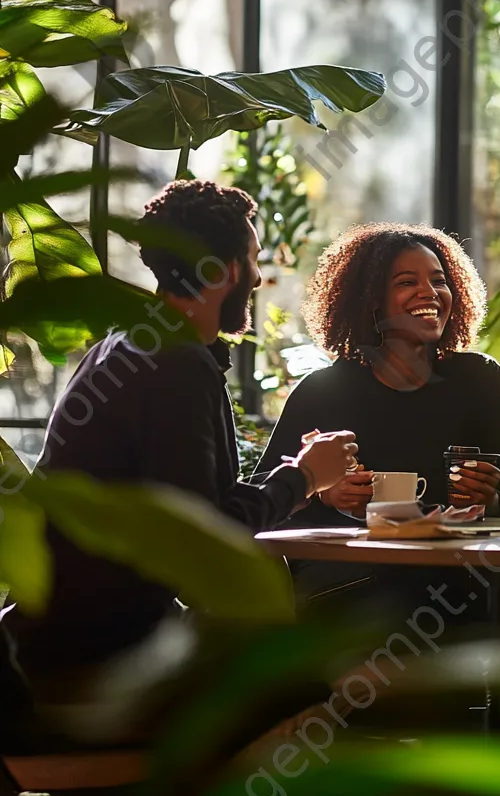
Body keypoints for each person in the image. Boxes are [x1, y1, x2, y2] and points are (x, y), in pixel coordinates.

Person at [4, 180, 358, 689]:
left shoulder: (132, 343)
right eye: (255, 260)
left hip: (59, 632)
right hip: (96, 650)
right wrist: (302, 480)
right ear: (230, 270)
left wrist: (296, 481)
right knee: (305, 679)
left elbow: (190, 505)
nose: (259, 279)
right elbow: (201, 538)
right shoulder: (174, 364)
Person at [252, 222, 500, 611]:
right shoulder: (323, 391)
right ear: (372, 301)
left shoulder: (481, 380)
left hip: (452, 579)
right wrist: (322, 493)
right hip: (352, 580)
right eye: (407, 282)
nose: (429, 293)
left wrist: (490, 493)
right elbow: (262, 498)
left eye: (439, 281)